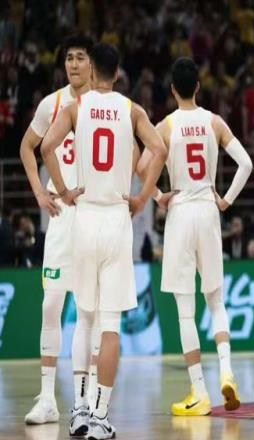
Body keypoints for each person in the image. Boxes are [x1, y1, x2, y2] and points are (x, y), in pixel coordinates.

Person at [41, 42, 167, 439]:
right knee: (110, 326)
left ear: (92, 71)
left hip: (84, 216)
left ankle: (78, 411)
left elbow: (45, 147)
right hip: (116, 218)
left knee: (84, 320)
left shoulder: (75, 107)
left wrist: (64, 190)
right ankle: (99, 417)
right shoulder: (132, 110)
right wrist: (142, 198)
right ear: (119, 73)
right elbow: (160, 149)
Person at [137, 57, 252, 416]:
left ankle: (199, 392)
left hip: (181, 212)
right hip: (208, 210)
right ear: (198, 87)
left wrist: (158, 196)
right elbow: (246, 163)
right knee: (216, 302)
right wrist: (226, 200)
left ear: (172, 90)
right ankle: (227, 371)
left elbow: (141, 167)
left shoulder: (165, 126)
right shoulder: (214, 122)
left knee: (186, 313)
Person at [20, 34, 101, 435]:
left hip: (94, 213)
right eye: (69, 58)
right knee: (52, 304)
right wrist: (39, 192)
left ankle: (90, 400)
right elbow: (27, 147)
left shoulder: (104, 106)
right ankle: (47, 397)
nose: (73, 64)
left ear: (92, 65)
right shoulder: (51, 104)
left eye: (80, 58)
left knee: (90, 311)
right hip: (61, 213)